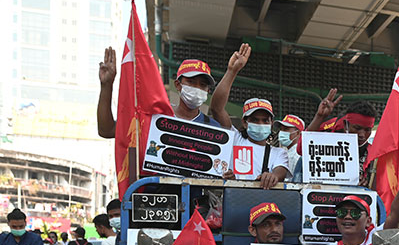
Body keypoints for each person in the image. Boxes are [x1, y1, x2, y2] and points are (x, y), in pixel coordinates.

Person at [209, 44, 289, 188]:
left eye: (265, 120)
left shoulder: (279, 153)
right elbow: (216, 108)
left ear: (271, 123)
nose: (260, 124)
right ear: (245, 123)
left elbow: (280, 171)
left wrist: (272, 176)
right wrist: (232, 71)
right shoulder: (234, 139)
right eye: (254, 120)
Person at [97, 51, 220, 138]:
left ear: (208, 91)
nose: (197, 88)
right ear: (177, 85)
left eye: (203, 85)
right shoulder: (154, 117)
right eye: (191, 82)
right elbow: (107, 130)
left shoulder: (214, 129)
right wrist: (106, 86)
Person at [274, 114, 305, 182]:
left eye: (286, 129)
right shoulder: (288, 152)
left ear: (298, 133)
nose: (281, 132)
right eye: (281, 129)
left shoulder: (295, 155)